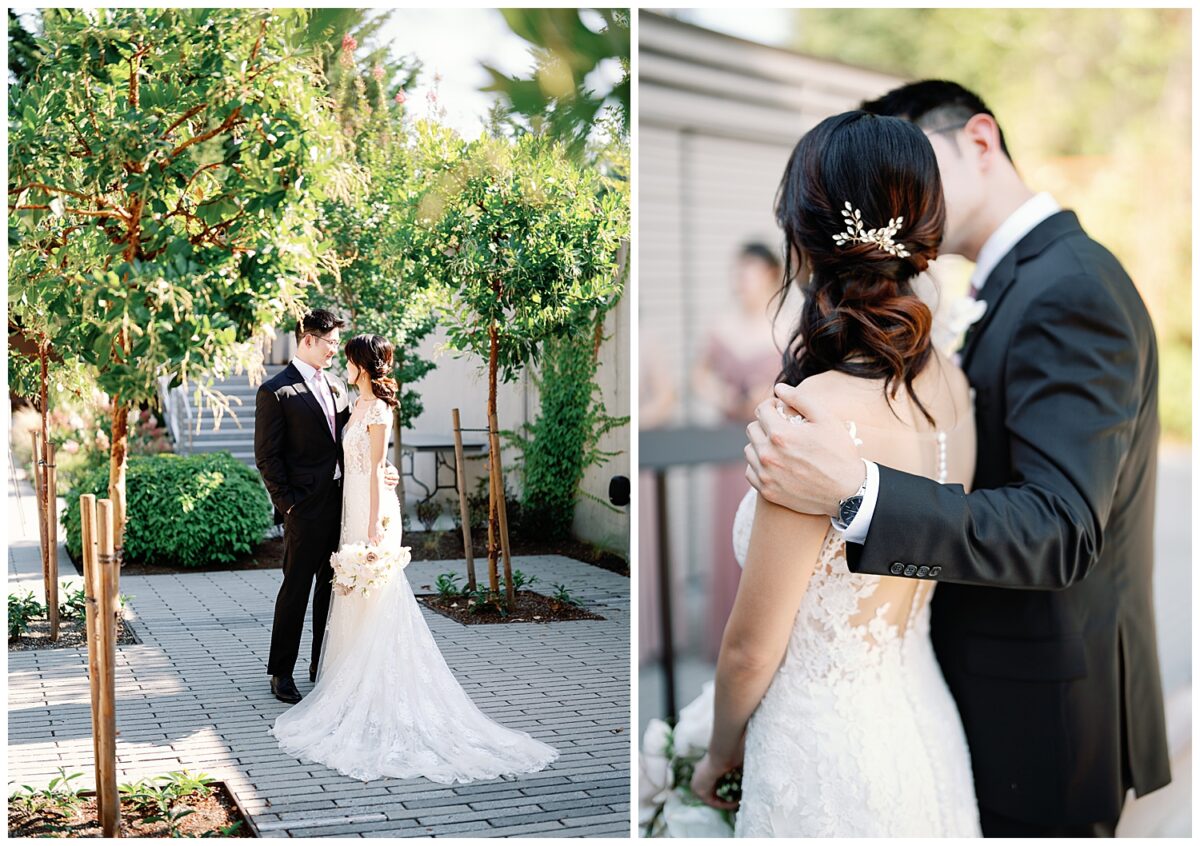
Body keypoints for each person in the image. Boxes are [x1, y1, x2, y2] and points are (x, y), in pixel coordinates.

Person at [744, 81, 1170, 836]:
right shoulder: (1010, 288)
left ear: (978, 141)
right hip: (948, 710)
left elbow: (1063, 525)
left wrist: (857, 490)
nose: (897, 200)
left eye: (913, 169)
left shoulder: (1069, 287)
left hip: (1043, 725)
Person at [691, 110, 982, 836]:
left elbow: (751, 648)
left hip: (821, 761)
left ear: (804, 237)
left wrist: (717, 753)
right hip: (926, 730)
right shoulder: (952, 381)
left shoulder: (810, 415)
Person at [269, 333, 558, 783]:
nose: (340, 362)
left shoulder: (379, 409)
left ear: (361, 365)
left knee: (372, 593)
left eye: (346, 356)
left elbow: (379, 462)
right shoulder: (351, 401)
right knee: (346, 594)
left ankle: (372, 682)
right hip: (342, 509)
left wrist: (371, 528)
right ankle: (338, 677)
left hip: (369, 513)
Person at [255, 309, 395, 704]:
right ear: (308, 339)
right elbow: (268, 458)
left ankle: (321, 664)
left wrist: (386, 469)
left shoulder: (337, 386)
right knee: (296, 589)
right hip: (305, 509)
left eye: (337, 343)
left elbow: (361, 438)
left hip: (344, 505)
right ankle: (281, 672)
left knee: (332, 591)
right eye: (330, 343)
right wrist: (289, 507)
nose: (335, 350)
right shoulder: (276, 391)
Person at [691, 244, 785, 659]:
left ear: (769, 274)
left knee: (762, 532)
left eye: (748, 270)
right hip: (727, 442)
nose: (740, 279)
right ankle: (728, 636)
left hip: (768, 443)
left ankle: (763, 635)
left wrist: (766, 397)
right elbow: (699, 374)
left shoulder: (784, 326)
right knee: (726, 528)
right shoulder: (721, 325)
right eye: (737, 270)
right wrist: (723, 395)